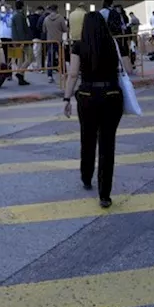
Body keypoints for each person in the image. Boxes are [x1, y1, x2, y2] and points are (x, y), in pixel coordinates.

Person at [62, 11, 125, 208]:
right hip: (112, 95)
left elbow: (72, 74)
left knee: (87, 138)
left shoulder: (79, 46)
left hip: (88, 96)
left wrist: (66, 98)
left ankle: (86, 177)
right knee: (108, 144)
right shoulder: (113, 43)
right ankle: (105, 194)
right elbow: (128, 68)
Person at [11, 2, 33, 86]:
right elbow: (21, 29)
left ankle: (21, 78)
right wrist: (23, 41)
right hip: (23, 41)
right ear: (23, 7)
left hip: (16, 41)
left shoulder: (16, 15)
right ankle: (20, 73)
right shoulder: (19, 16)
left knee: (21, 59)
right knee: (30, 57)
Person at [43, 5, 66, 82]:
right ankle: (63, 73)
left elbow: (44, 30)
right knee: (61, 57)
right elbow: (65, 29)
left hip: (50, 41)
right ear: (57, 9)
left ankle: (49, 76)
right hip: (59, 41)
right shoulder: (61, 18)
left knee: (50, 58)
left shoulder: (46, 19)